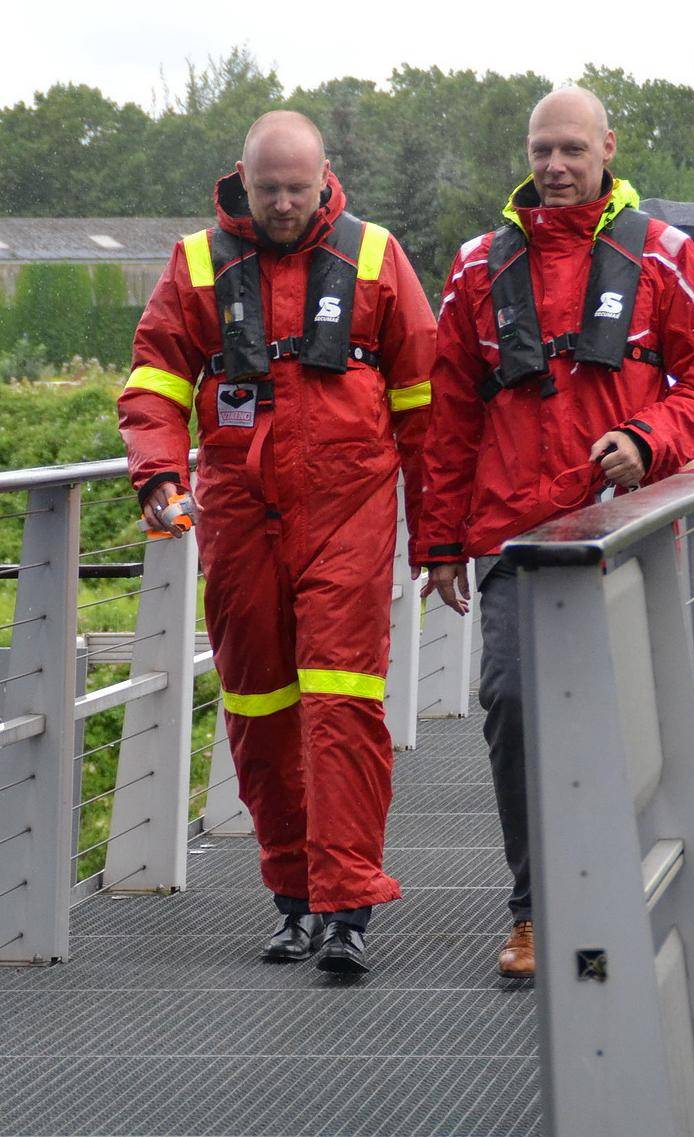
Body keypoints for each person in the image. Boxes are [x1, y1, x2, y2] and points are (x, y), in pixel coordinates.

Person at [415, 86, 694, 978]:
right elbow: (448, 415)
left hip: (628, 529)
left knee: (633, 719)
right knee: (513, 705)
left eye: (572, 149)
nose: (555, 166)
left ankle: (636, 893)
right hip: (515, 536)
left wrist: (648, 438)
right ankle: (535, 909)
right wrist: (438, 542)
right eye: (541, 150)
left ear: (607, 148)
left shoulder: (662, 253)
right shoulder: (476, 267)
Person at [118, 110, 436, 975]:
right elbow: (154, 379)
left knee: (342, 704)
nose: (285, 204)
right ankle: (293, 898)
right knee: (259, 709)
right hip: (238, 514)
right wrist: (158, 474)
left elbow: (423, 400)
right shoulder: (196, 263)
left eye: (298, 188)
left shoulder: (376, 256)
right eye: (269, 190)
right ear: (242, 180)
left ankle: (346, 906)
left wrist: (437, 534)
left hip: (349, 509)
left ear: (325, 176)